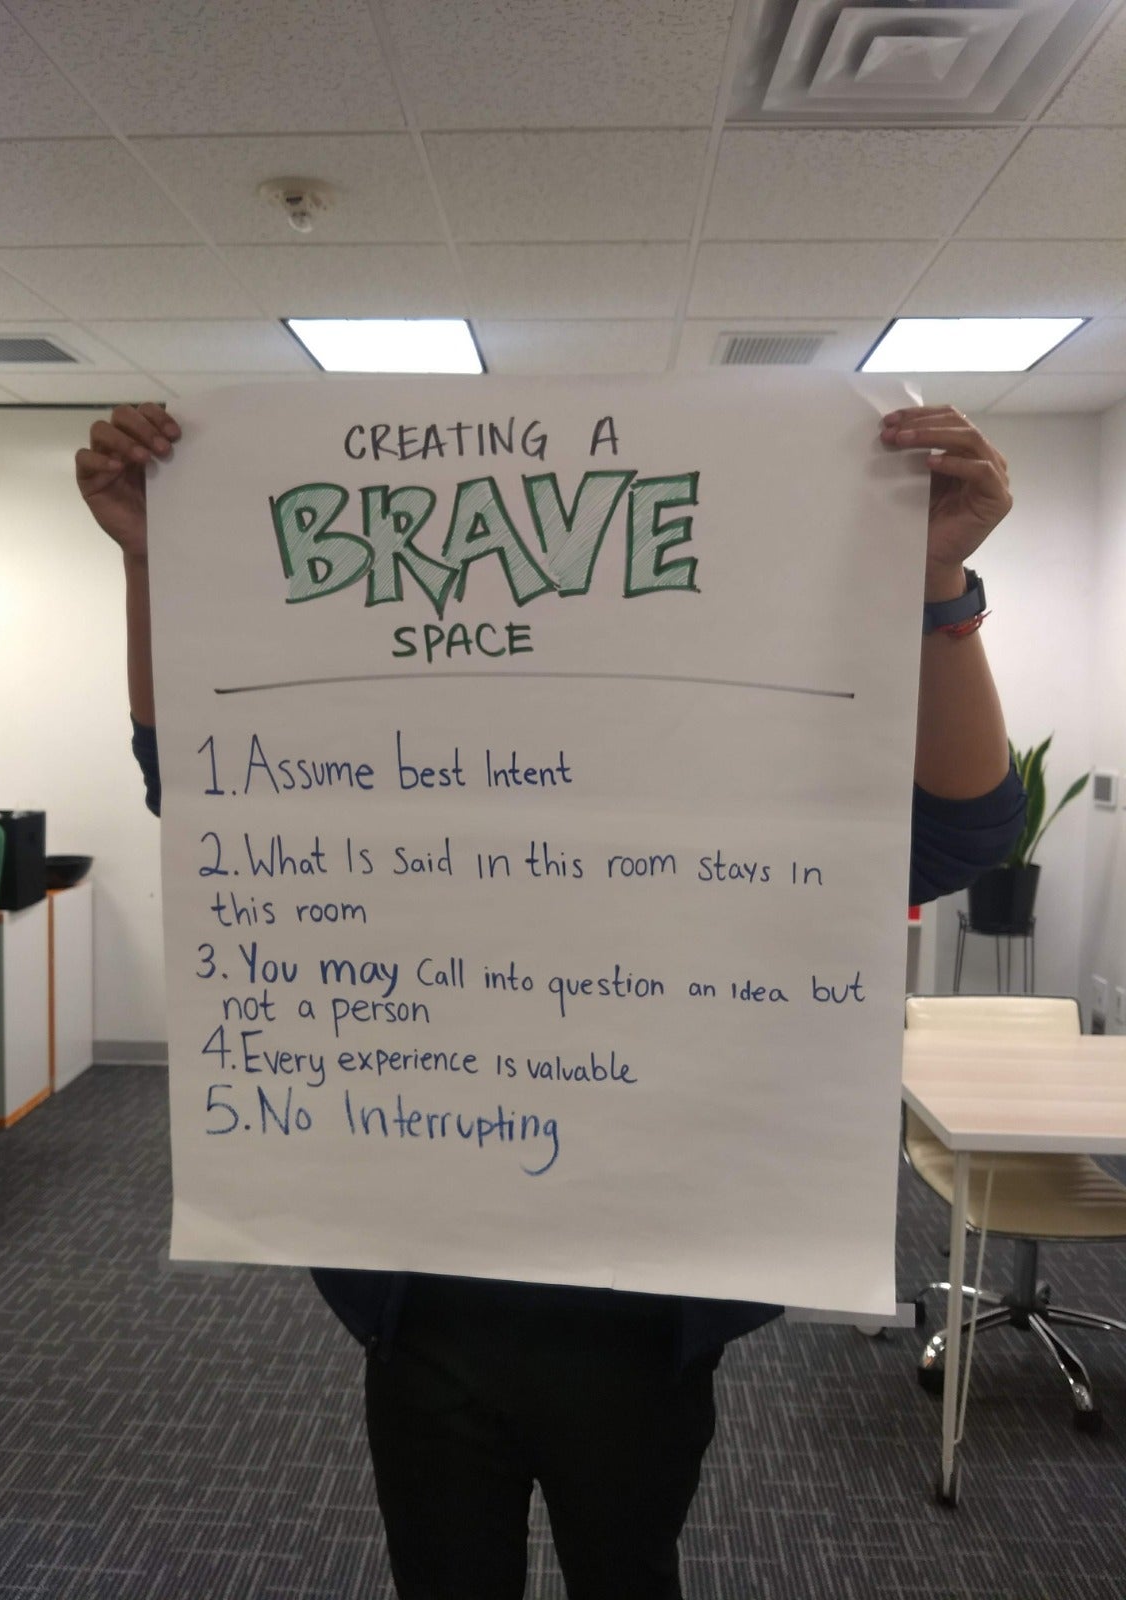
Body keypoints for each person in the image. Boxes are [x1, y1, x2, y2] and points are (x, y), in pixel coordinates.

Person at [78, 399, 1025, 1600]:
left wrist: (940, 582)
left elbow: (967, 829)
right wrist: (156, 560)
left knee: (625, 1572)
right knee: (444, 1578)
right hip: (422, 1295)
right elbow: (197, 783)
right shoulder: (384, 793)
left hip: (643, 1305)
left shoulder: (736, 794)